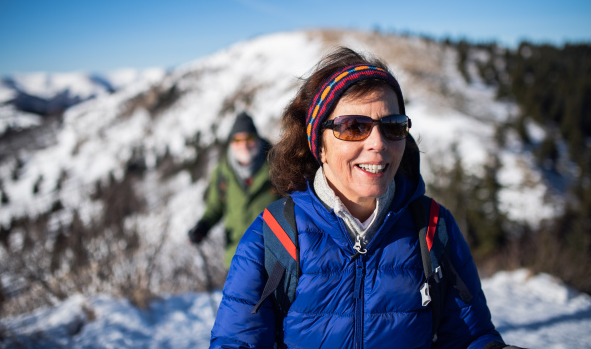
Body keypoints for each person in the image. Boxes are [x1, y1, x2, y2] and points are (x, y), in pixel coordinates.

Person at [210, 48, 519, 348]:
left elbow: (468, 336)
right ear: (319, 145)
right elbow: (238, 340)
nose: (378, 142)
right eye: (354, 127)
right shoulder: (273, 236)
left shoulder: (433, 228)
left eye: (393, 126)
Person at [188, 111, 280, 268]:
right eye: (237, 140)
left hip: (275, 255)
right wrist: (202, 226)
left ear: (257, 139)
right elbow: (215, 208)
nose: (244, 145)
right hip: (237, 256)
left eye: (249, 138)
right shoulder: (222, 172)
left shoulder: (278, 165)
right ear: (231, 143)